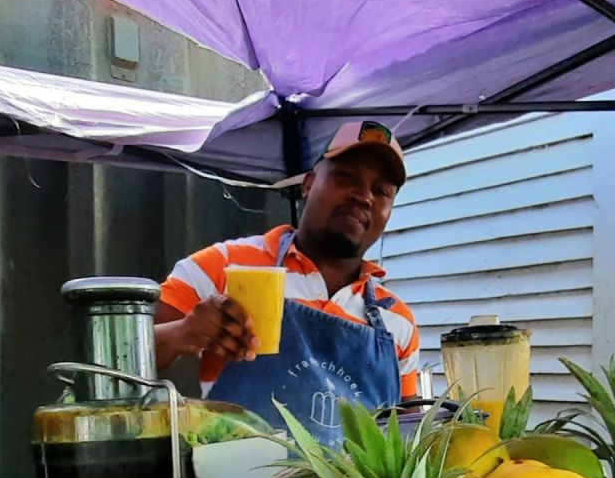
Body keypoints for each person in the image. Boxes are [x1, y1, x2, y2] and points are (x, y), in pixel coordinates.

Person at [156, 121, 420, 443]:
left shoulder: (397, 320)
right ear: (308, 184)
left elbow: (405, 430)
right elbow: (125, 360)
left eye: (381, 192)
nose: (363, 197)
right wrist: (184, 332)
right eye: (346, 176)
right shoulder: (223, 266)